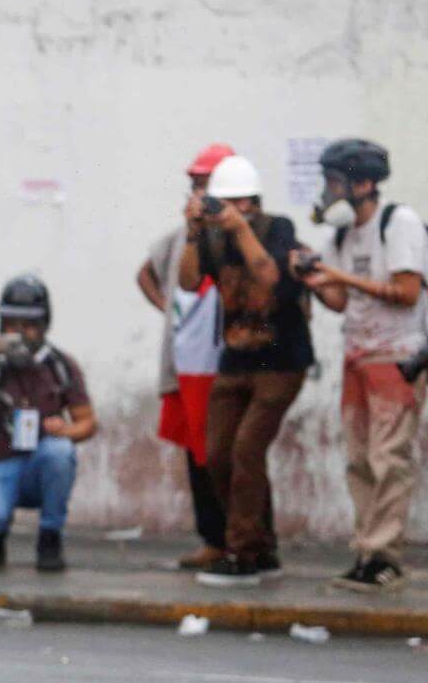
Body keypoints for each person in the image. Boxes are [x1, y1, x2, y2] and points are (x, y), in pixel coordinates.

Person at [178, 154, 311, 588]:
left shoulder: (278, 229)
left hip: (282, 361)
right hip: (234, 359)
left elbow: (270, 276)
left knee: (247, 450)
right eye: (223, 203)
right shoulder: (212, 238)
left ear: (252, 201)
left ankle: (243, 552)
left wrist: (240, 229)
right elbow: (186, 282)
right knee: (217, 453)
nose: (229, 211)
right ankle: (262, 547)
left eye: (237, 203)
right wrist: (193, 232)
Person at [299, 139, 422, 593]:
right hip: (357, 355)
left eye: (336, 182)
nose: (329, 191)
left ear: (364, 184)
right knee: (359, 458)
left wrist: (340, 276)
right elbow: (338, 301)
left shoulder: (398, 223)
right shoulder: (341, 234)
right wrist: (314, 280)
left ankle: (386, 558)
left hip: (397, 355)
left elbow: (407, 292)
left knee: (388, 458)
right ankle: (367, 552)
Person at [0, 276, 96, 572]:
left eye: (29, 325)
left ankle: (50, 536)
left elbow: (87, 422)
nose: (20, 333)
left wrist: (65, 431)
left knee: (60, 453)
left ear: (44, 325)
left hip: (39, 462)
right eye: (12, 324)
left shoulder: (60, 365)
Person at [137, 143, 233, 569]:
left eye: (206, 184)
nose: (198, 193)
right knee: (198, 452)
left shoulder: (241, 234)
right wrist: (173, 315)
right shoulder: (182, 237)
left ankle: (243, 540)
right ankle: (213, 539)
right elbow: (146, 274)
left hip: (228, 365)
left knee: (232, 455)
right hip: (191, 364)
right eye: (195, 185)